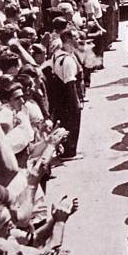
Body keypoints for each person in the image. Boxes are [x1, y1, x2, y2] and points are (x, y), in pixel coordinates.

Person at [51, 28, 84, 160]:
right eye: (76, 38)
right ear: (68, 40)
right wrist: (76, 102)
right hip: (68, 96)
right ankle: (69, 152)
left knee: (65, 121)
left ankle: (65, 150)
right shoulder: (68, 61)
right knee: (72, 122)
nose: (79, 40)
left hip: (60, 96)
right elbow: (70, 84)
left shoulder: (58, 53)